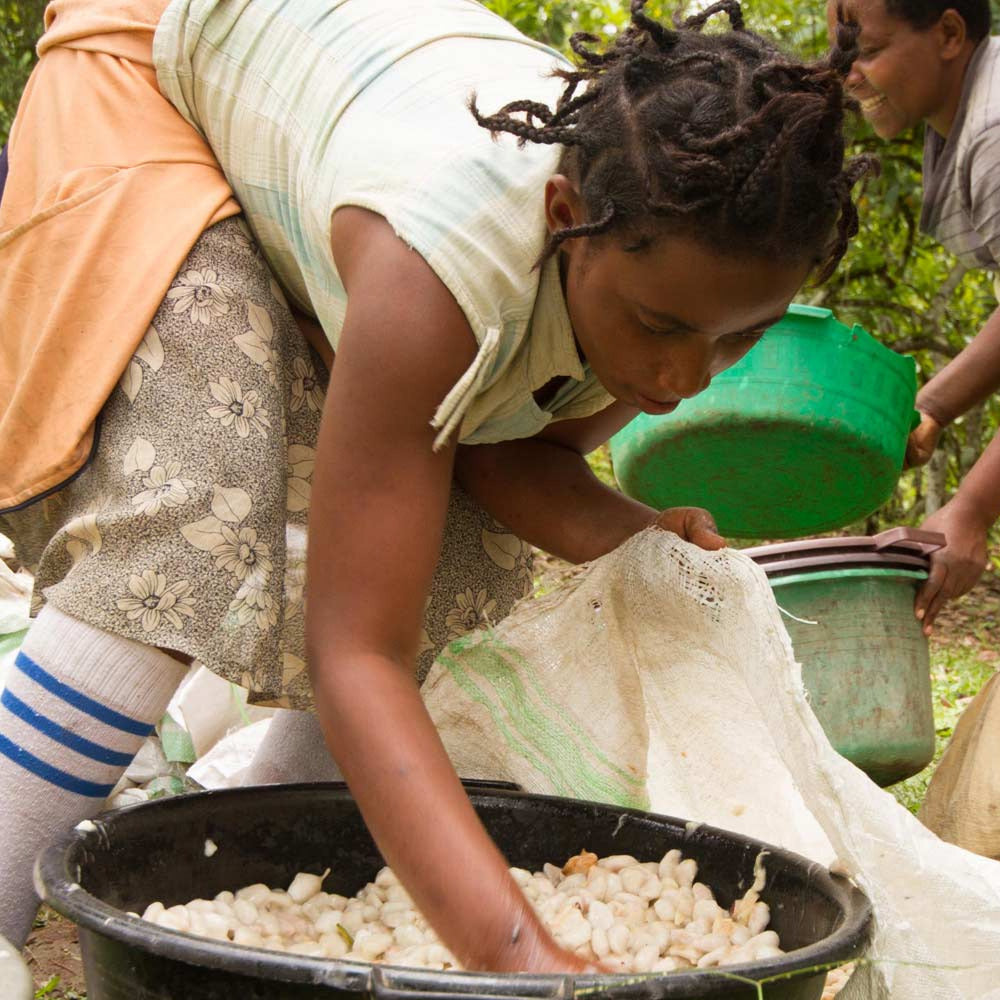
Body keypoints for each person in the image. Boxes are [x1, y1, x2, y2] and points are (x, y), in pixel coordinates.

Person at [0, 0, 872, 969]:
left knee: (455, 549)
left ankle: (252, 867)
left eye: (737, 337)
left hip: (330, 121)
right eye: (663, 330)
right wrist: (522, 960)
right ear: (563, 220)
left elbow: (501, 449)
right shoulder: (442, 269)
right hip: (145, 64)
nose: (680, 382)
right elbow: (357, 652)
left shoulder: (655, 248)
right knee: (194, 504)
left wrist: (639, 541)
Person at [831, 0, 1000, 857]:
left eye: (863, 48)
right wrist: (929, 407)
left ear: (946, 33)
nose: (848, 71)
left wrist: (968, 510)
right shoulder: (965, 122)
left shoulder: (998, 126)